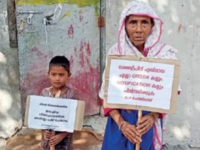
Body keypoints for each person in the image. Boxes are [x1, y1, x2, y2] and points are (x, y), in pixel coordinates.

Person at [99, 1, 180, 150]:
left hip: (146, 125)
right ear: (124, 25)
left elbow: (170, 92)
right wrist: (122, 123)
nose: (138, 29)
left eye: (144, 23)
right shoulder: (116, 53)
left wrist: (153, 116)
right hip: (119, 124)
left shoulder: (164, 55)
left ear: (152, 26)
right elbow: (106, 94)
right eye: (132, 23)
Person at [40, 56, 77, 150]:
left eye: (61, 75)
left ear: (69, 75)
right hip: (47, 142)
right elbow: (40, 118)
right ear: (48, 74)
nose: (57, 78)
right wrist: (44, 131)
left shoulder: (71, 95)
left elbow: (74, 120)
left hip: (65, 142)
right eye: (54, 74)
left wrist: (62, 135)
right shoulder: (44, 93)